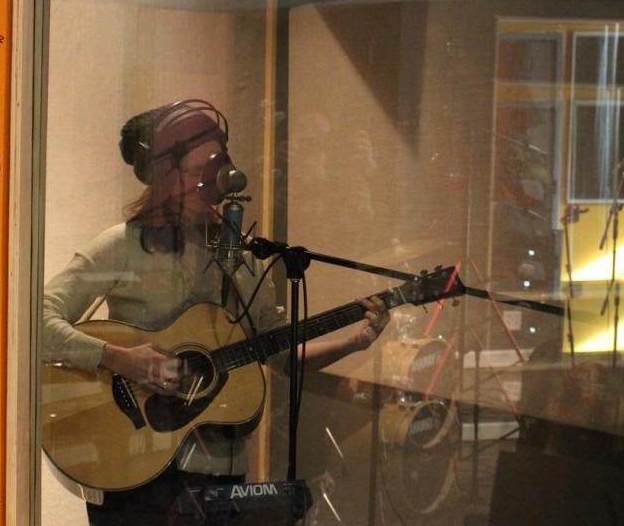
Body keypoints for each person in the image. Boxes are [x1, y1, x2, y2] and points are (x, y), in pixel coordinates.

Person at [43, 100, 390, 525]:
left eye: (216, 169)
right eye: (198, 173)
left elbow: (279, 354)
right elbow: (37, 324)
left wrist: (356, 341)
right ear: (167, 177)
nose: (211, 183)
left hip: (219, 477)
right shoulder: (123, 246)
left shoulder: (243, 259)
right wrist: (121, 358)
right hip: (134, 471)